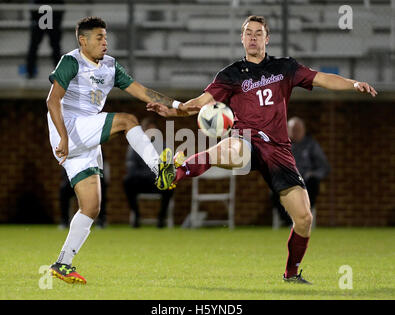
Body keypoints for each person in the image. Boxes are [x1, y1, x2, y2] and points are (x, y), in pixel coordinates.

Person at [147, 15, 377, 284]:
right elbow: (200, 103)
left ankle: (291, 273)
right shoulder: (231, 74)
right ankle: (177, 170)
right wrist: (172, 110)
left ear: (267, 39)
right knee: (232, 148)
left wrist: (353, 84)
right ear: (242, 38)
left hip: (279, 150)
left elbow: (321, 78)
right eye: (248, 33)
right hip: (247, 139)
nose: (253, 37)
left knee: (304, 218)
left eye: (258, 33)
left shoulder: (285, 67)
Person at [47, 16, 183, 284]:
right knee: (127, 120)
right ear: (82, 40)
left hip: (85, 137)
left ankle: (62, 263)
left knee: (91, 206)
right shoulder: (71, 61)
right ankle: (160, 170)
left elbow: (143, 92)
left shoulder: (110, 66)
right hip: (69, 129)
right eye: (99, 38)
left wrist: (180, 105)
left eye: (105, 37)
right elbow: (52, 101)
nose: (104, 42)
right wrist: (63, 137)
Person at [272, 117, 330, 226]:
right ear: (287, 131)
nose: (296, 133)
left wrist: (313, 174)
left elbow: (324, 167)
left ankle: (302, 216)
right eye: (293, 130)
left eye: (298, 130)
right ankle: (289, 222)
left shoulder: (311, 145)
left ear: (304, 130)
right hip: (287, 181)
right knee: (274, 188)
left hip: (305, 182)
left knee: (313, 183)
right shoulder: (281, 146)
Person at [123, 118, 174, 228]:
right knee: (127, 181)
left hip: (157, 183)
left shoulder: (164, 147)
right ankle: (136, 215)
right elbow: (131, 168)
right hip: (141, 182)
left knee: (169, 184)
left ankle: (161, 218)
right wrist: (150, 174)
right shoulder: (135, 147)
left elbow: (168, 167)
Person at [59, 159, 109, 229]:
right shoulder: (70, 153)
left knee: (101, 187)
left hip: (91, 175)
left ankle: (101, 220)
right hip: (74, 177)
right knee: (64, 189)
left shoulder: (96, 150)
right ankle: (64, 221)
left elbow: (102, 166)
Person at [26, 0, 64, 79]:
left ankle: (59, 73)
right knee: (35, 47)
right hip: (42, 19)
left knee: (55, 47)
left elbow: (60, 6)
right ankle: (30, 72)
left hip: (50, 19)